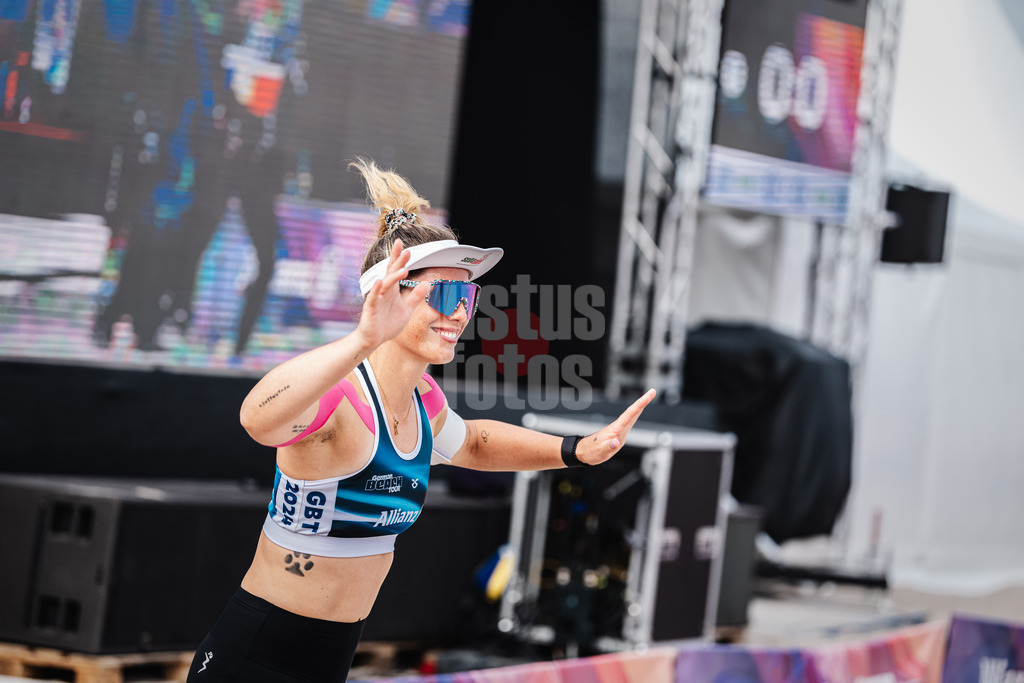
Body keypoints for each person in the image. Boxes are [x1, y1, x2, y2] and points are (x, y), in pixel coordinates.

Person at [186, 158, 656, 682]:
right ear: (388, 293)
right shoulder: (341, 394)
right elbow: (257, 420)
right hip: (256, 654)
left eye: (468, 296)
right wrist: (364, 338)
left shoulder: (422, 399)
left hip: (329, 657)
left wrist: (576, 450)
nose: (460, 313)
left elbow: (473, 442)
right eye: (446, 294)